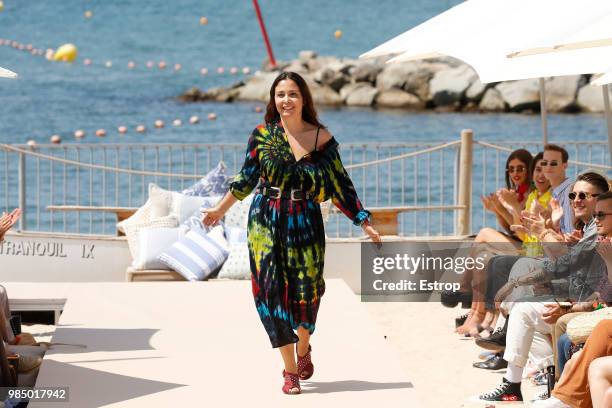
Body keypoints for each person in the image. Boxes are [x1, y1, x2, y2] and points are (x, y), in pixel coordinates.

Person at [202, 72, 381, 395]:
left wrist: (363, 220)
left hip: (305, 223)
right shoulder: (262, 136)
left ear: (304, 99)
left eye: (292, 94)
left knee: (307, 293)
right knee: (270, 293)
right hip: (265, 219)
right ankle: (289, 371)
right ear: (273, 99)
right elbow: (245, 180)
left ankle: (303, 348)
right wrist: (218, 210)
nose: (286, 100)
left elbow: (341, 184)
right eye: (280, 94)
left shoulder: (321, 139)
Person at [474, 172, 609, 402]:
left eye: (583, 196)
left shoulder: (597, 232)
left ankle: (524, 375)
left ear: (601, 199)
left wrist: (544, 231)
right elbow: (564, 263)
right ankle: (520, 381)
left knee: (521, 296)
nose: (576, 200)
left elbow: (568, 265)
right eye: (573, 194)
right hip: (575, 293)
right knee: (522, 299)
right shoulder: (589, 229)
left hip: (582, 299)